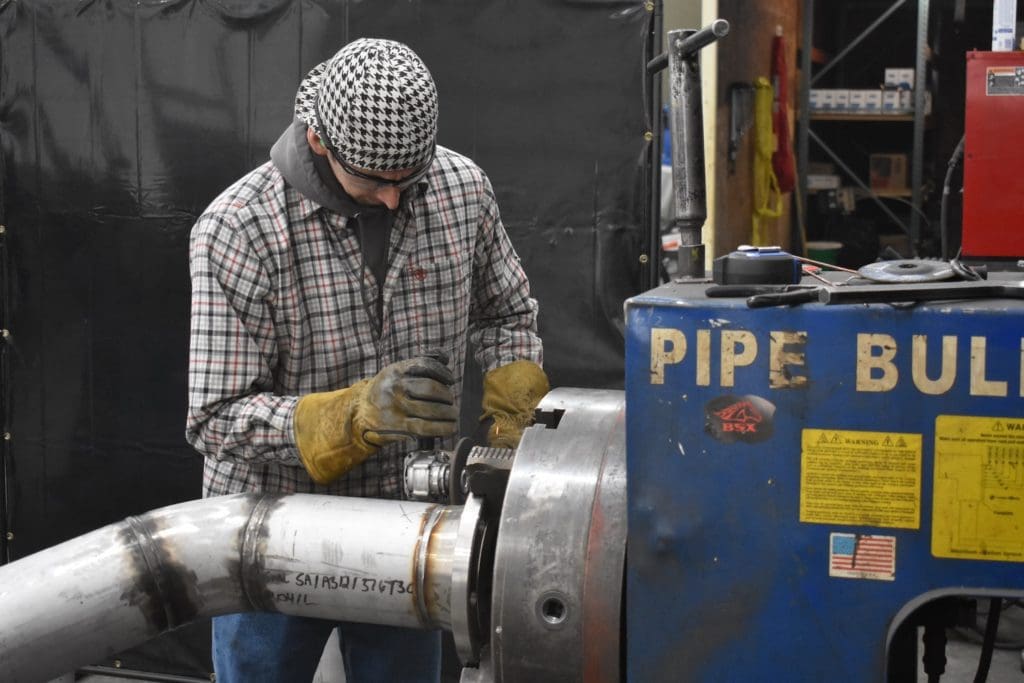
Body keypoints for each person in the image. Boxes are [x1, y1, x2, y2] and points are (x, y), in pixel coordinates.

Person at [186, 37, 548, 683]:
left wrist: (513, 406)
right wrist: (348, 416)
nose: (392, 200)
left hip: (406, 520)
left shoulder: (461, 190)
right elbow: (215, 417)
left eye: (408, 180)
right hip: (272, 528)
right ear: (319, 141)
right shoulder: (240, 228)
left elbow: (505, 313)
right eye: (373, 181)